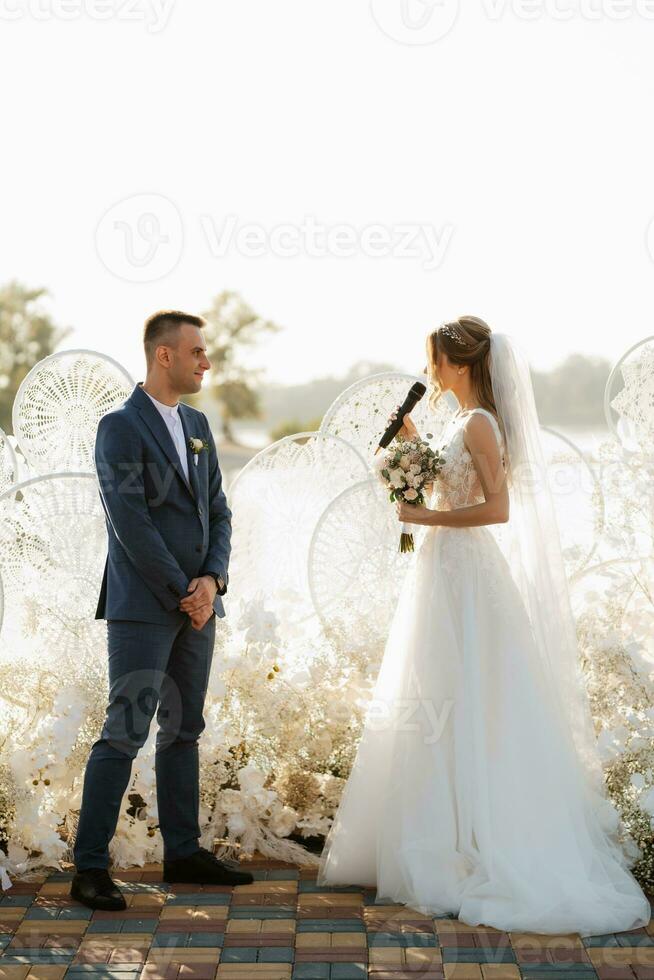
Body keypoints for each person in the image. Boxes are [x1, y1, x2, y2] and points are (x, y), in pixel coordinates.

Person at [317, 315, 651, 936]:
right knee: (438, 694)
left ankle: (478, 843)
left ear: (460, 363)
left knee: (473, 698)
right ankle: (445, 836)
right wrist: (415, 451)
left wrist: (424, 516)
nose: (429, 373)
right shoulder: (461, 423)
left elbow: (497, 509)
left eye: (434, 362)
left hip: (469, 574)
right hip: (445, 574)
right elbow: (455, 484)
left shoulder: (478, 423)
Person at [71, 310, 253, 911]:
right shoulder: (118, 427)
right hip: (145, 608)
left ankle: (184, 852)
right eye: (197, 351)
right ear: (164, 356)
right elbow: (131, 524)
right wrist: (184, 589)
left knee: (185, 731)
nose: (206, 361)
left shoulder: (199, 424)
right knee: (124, 732)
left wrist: (213, 581)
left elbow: (220, 513)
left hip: (199, 606)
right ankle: (90, 869)